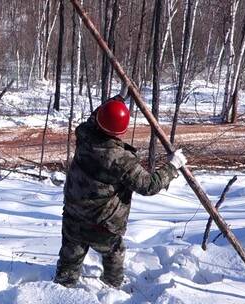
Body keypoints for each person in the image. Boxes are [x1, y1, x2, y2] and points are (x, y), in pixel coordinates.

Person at [54, 95, 187, 288]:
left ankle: (61, 287)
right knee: (114, 253)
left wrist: (114, 102)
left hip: (73, 217)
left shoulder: (83, 135)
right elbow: (148, 185)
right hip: (102, 225)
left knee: (70, 255)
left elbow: (95, 118)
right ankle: (112, 286)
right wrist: (172, 166)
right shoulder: (120, 160)